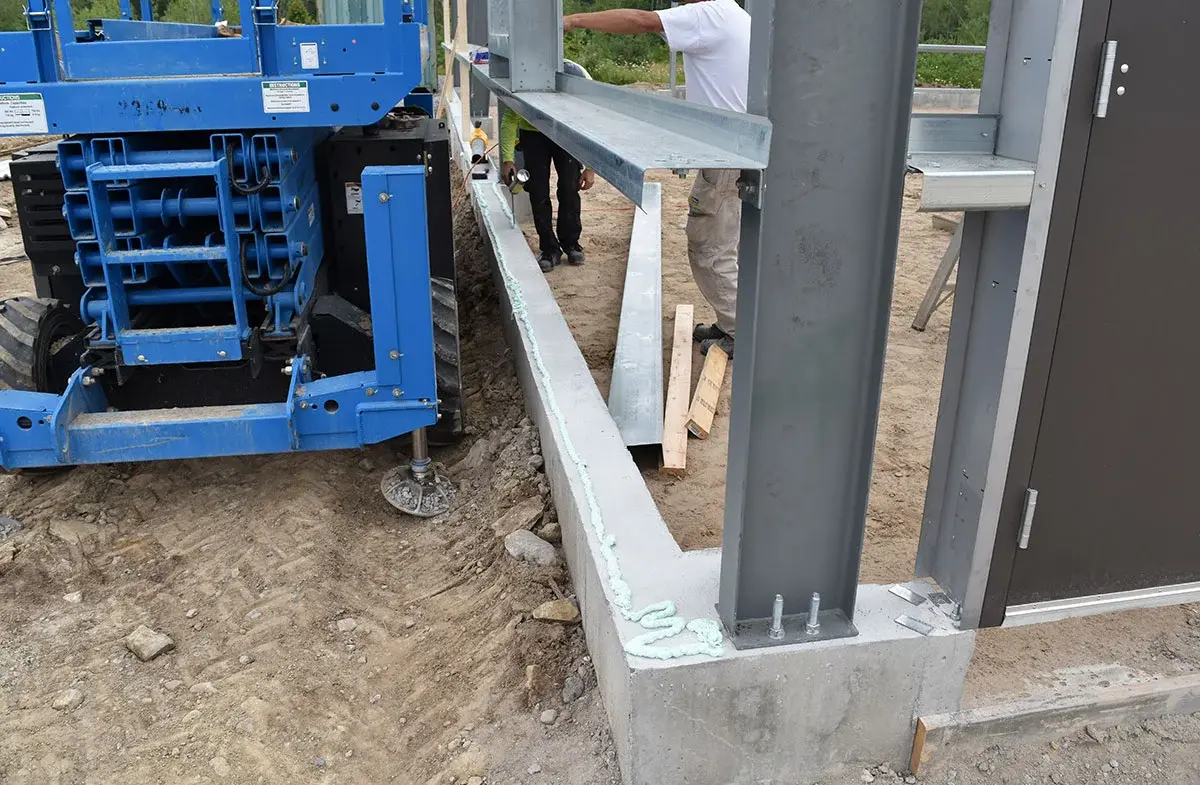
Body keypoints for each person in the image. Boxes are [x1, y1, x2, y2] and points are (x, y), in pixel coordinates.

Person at [563, 0, 750, 356]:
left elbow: (641, 20)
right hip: (732, 152)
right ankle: (731, 321)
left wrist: (573, 20)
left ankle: (738, 332)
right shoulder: (733, 15)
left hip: (728, 158)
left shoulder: (710, 13)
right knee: (721, 243)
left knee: (710, 247)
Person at [500, 59, 597, 273]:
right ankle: (549, 248)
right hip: (534, 133)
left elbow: (592, 122)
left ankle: (571, 243)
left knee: (570, 188)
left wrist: (590, 167)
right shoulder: (526, 77)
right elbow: (509, 119)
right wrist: (508, 160)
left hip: (567, 133)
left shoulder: (579, 79)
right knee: (538, 191)